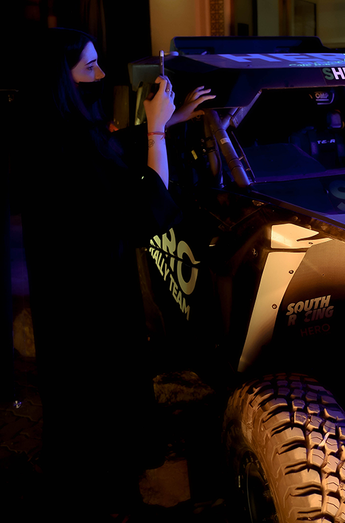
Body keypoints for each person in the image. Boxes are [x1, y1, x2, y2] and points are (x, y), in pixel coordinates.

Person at [13, 27, 212, 521]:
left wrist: (172, 120)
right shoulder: (70, 144)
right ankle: (105, 495)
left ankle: (85, 480)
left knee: (77, 395)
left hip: (68, 294)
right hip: (94, 296)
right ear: (60, 78)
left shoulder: (44, 129)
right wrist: (157, 130)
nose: (101, 75)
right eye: (89, 67)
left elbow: (108, 160)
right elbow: (147, 205)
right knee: (102, 398)